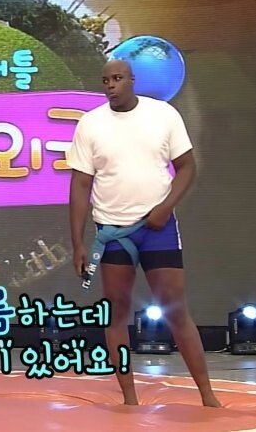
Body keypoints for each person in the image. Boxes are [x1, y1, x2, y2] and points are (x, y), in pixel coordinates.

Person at [66, 59, 221, 408]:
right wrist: (77, 243)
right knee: (116, 312)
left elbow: (187, 167)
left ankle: (208, 395)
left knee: (175, 309)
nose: (111, 85)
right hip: (113, 232)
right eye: (105, 80)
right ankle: (129, 397)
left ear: (132, 80)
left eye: (117, 78)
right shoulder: (90, 123)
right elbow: (80, 185)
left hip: (158, 229)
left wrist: (165, 207)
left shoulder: (163, 114)